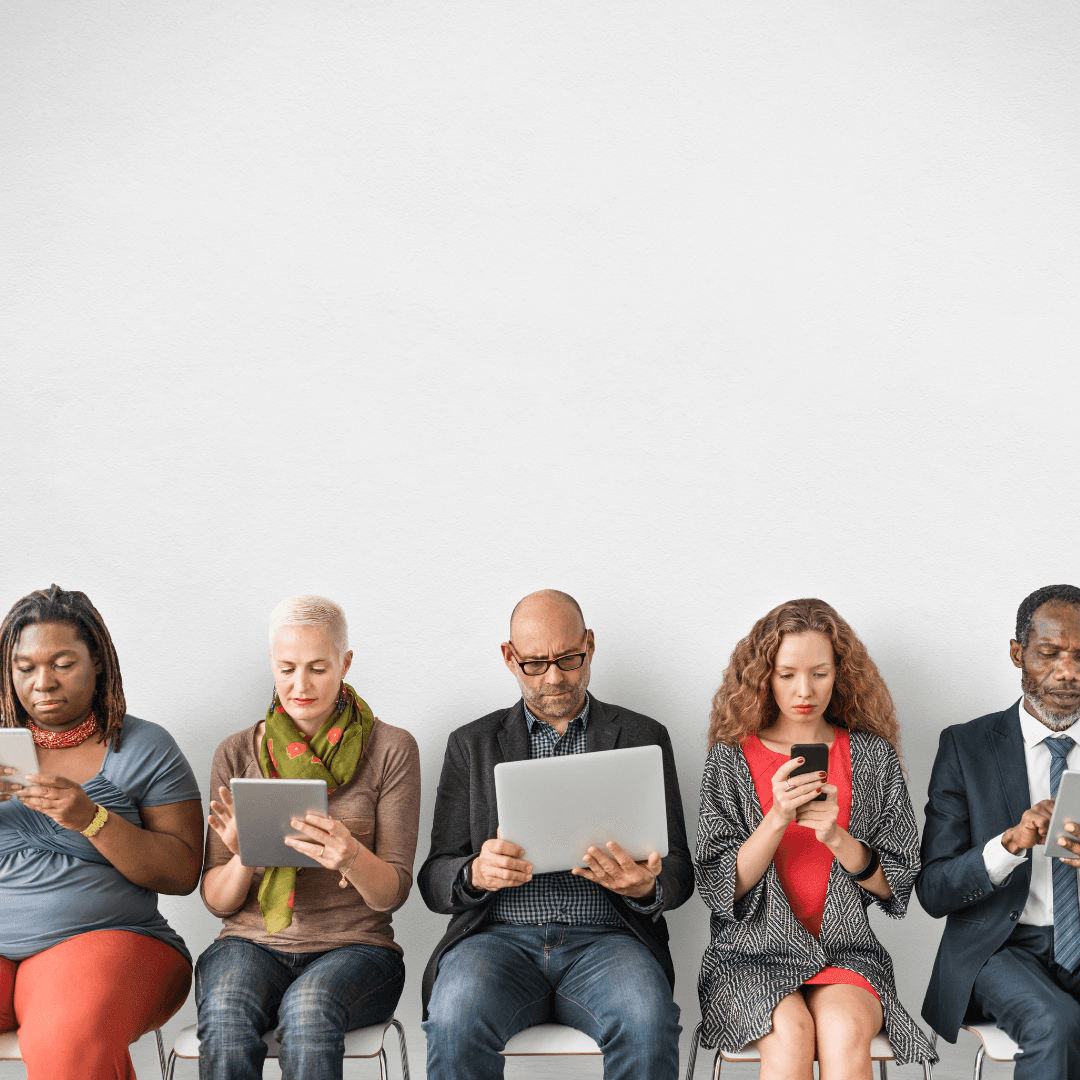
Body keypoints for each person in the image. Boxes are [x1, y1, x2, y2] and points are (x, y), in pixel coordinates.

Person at [418, 589, 694, 1080]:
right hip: (496, 940)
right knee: (455, 1018)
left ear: (589, 645)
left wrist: (647, 887)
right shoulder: (471, 744)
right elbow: (434, 877)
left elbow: (679, 872)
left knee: (648, 1022)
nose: (554, 677)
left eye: (569, 659)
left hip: (611, 941)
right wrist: (475, 872)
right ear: (509, 657)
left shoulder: (642, 735)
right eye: (535, 664)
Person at [696, 598, 935, 1079]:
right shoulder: (730, 759)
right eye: (786, 675)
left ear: (840, 673)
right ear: (763, 675)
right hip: (748, 955)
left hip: (846, 953)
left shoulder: (873, 757)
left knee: (844, 1027)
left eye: (819, 673)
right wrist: (777, 817)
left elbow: (900, 882)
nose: (804, 690)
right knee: (790, 1032)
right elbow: (719, 888)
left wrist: (837, 837)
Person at [195, 594, 420, 1080]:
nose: (300, 685)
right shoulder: (235, 753)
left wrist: (351, 856)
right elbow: (216, 900)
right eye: (287, 668)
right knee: (228, 1013)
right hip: (250, 942)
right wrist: (247, 855)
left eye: (318, 668)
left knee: (309, 1012)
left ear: (346, 662)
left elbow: (391, 895)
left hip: (357, 948)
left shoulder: (391, 748)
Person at [0, 585, 203, 1079]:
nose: (42, 683)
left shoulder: (144, 747)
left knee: (67, 1043)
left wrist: (91, 818)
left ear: (98, 665)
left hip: (110, 940)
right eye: (25, 668)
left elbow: (181, 872)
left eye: (62, 664)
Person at [918, 583, 1080, 1077]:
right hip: (1000, 946)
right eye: (1049, 653)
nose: (1068, 672)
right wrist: (1009, 845)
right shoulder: (966, 747)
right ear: (1018, 653)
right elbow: (933, 890)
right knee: (1056, 1024)